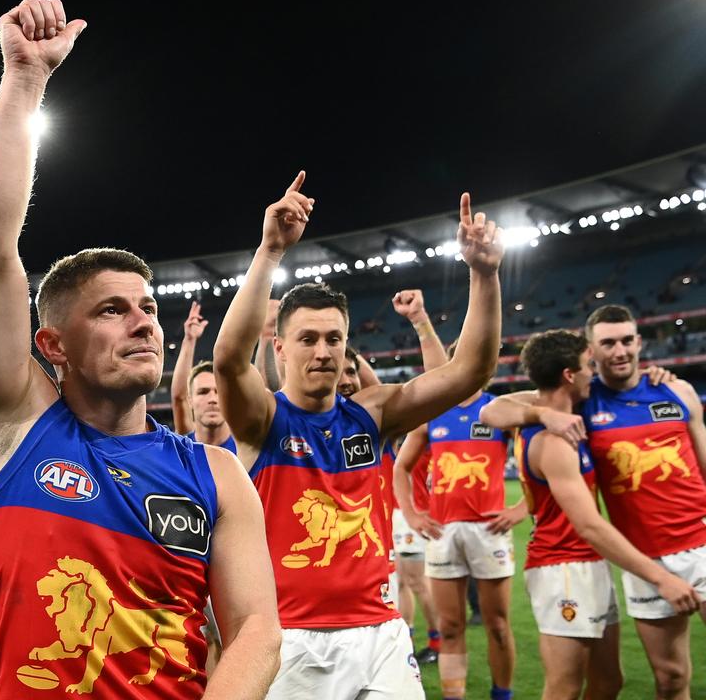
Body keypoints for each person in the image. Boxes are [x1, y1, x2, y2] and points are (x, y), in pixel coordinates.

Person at [0, 0, 280, 699]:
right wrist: (24, 81)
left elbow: (257, 628)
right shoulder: (14, 429)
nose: (143, 323)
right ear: (53, 344)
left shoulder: (217, 476)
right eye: (111, 310)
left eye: (148, 308)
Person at [214, 180, 504, 700]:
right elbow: (229, 360)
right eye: (307, 338)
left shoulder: (374, 414)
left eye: (333, 338)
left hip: (380, 635)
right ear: (281, 348)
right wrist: (270, 251)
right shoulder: (261, 419)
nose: (322, 350)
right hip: (291, 641)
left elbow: (470, 371)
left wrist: (484, 274)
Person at [483, 305, 706, 700]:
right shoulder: (583, 400)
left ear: (639, 342)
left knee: (609, 681)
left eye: (626, 341)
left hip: (695, 542)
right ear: (592, 353)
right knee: (669, 679)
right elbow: (491, 409)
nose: (619, 351)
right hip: (641, 558)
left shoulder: (675, 390)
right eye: (607, 344)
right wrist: (542, 415)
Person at [392, 338, 526, 700]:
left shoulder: (500, 409)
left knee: (498, 625)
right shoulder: (433, 414)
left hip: (489, 530)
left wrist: (521, 509)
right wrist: (411, 514)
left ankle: (502, 695)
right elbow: (401, 467)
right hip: (443, 531)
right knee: (451, 626)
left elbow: (535, 456)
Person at [170, 302, 236, 453]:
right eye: (203, 392)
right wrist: (189, 339)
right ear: (190, 400)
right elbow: (179, 398)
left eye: (218, 391)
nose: (212, 399)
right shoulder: (186, 446)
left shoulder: (247, 446)